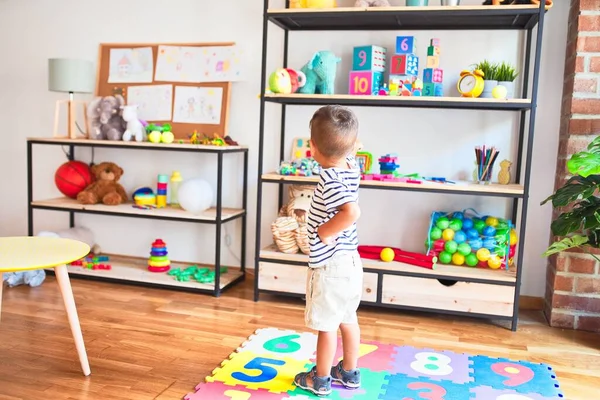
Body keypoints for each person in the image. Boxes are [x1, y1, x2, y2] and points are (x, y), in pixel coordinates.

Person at [293, 105, 364, 397]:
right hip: (350, 262)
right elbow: (351, 147)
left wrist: (324, 231)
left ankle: (320, 379)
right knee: (348, 319)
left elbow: (351, 212)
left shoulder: (330, 179)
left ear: (312, 147)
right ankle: (349, 372)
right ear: (351, 147)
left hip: (331, 265)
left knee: (327, 325)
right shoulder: (351, 166)